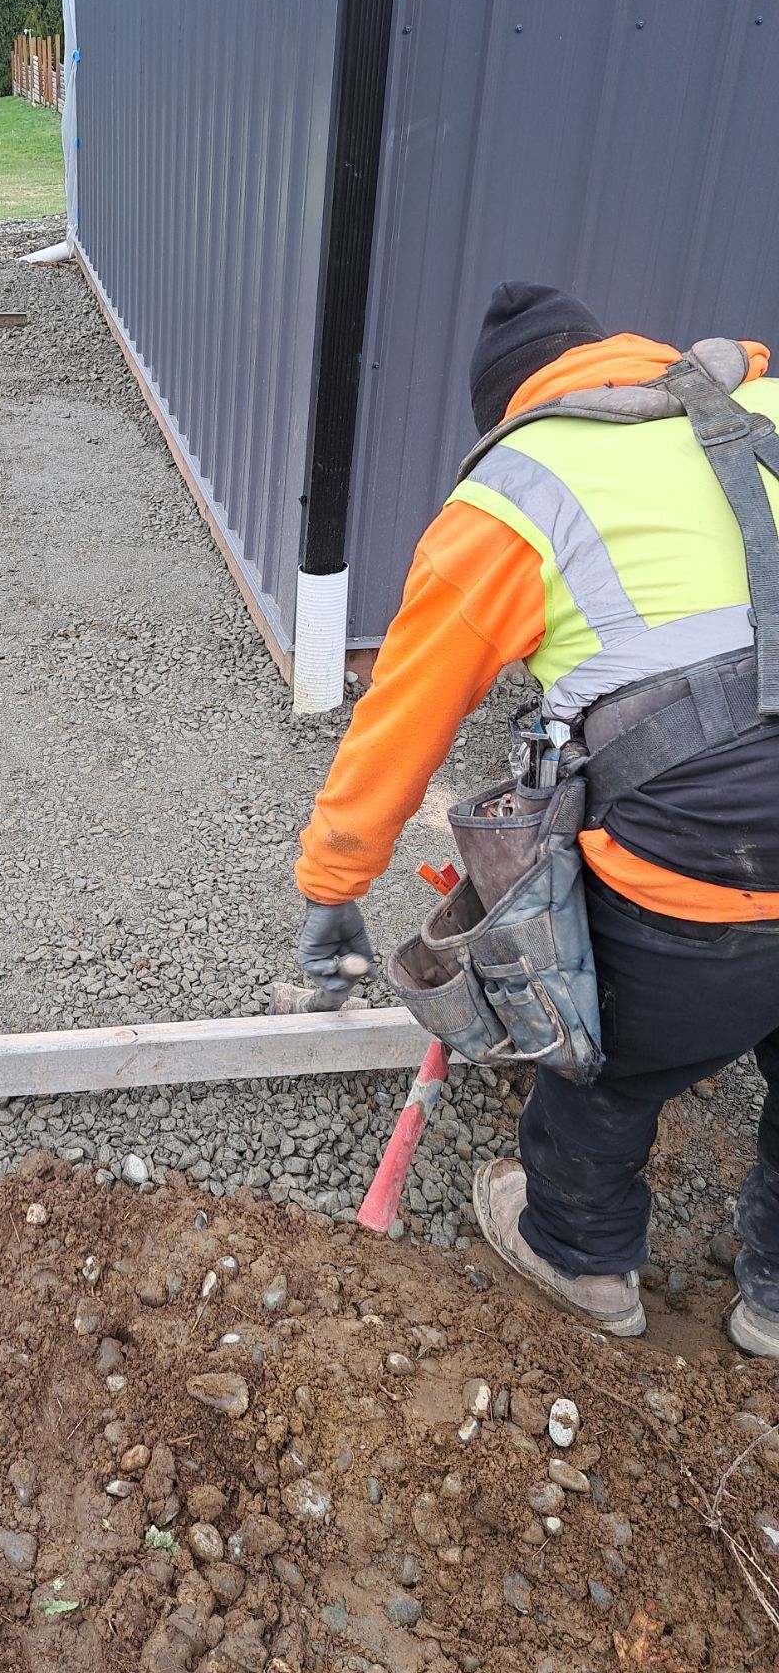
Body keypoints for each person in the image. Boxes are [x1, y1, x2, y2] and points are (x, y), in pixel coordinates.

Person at [294, 282, 779, 1351]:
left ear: (514, 407)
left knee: (607, 1069)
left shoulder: (522, 489)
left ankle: (579, 1253)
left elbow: (403, 721)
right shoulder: (766, 408)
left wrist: (332, 886)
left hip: (704, 874)